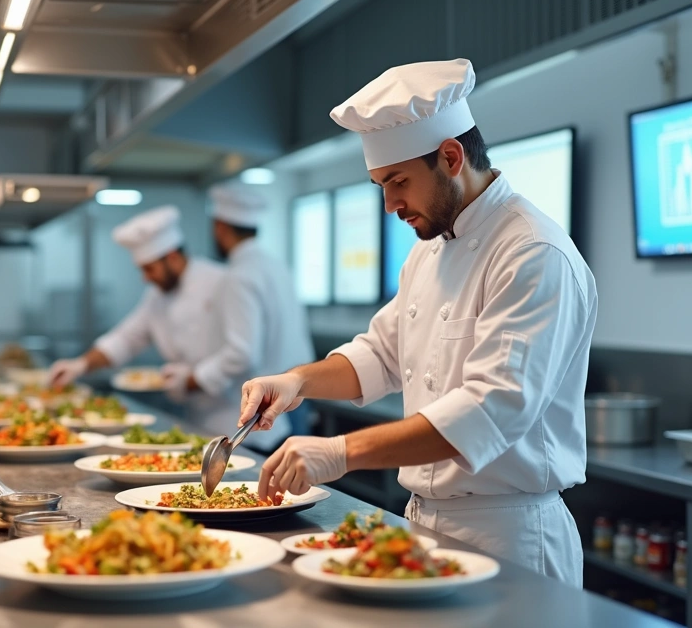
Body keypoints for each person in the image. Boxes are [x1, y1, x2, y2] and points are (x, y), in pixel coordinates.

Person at [236, 58, 598, 587]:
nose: (389, 205)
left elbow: (490, 409)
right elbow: (379, 355)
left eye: (398, 181)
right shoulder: (429, 250)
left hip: (511, 535)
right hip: (424, 525)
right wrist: (295, 382)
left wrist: (341, 453)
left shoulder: (532, 252)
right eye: (381, 185)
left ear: (451, 157)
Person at [47, 205, 247, 441]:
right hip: (199, 419)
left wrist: (192, 380)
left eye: (149, 269)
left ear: (172, 257)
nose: (145, 278)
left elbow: (242, 353)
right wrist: (80, 364)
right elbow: (126, 338)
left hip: (242, 416)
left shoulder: (223, 281)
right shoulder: (158, 296)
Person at [187, 184, 315, 443]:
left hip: (271, 407)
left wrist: (195, 379)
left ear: (220, 227)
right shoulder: (276, 265)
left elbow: (242, 353)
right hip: (300, 394)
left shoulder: (239, 275)